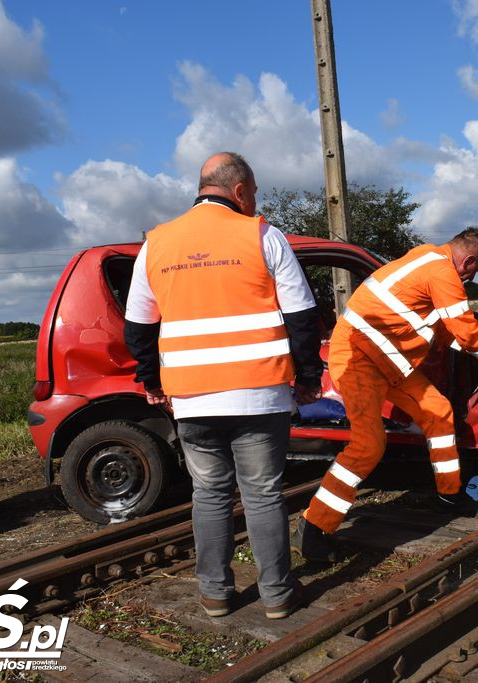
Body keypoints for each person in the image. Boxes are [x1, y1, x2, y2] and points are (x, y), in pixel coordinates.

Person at [123, 152, 323, 618]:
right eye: (253, 193)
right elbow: (302, 316)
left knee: (209, 494)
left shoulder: (157, 244)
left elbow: (138, 327)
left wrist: (152, 381)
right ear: (239, 190)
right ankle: (276, 596)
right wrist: (309, 378)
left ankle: (215, 594)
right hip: (259, 392)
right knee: (262, 492)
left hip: (192, 397)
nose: (255, 202)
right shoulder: (263, 235)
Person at [293, 227, 478, 562]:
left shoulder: (425, 259)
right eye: (475, 272)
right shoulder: (443, 272)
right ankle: (313, 527)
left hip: (387, 360)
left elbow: (438, 329)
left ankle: (449, 494)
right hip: (358, 358)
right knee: (368, 446)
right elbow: (466, 331)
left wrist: (475, 350)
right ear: (468, 261)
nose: (471, 279)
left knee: (438, 410)